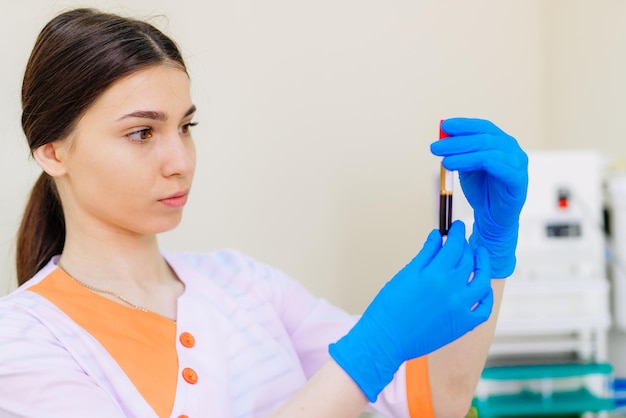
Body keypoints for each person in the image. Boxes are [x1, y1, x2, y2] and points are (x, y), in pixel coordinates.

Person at [0, 8, 528, 418]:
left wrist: (492, 245)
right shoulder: (24, 340)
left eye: (186, 127)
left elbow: (430, 400)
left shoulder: (244, 285)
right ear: (52, 151)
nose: (180, 161)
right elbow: (367, 366)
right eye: (142, 133)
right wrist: (374, 348)